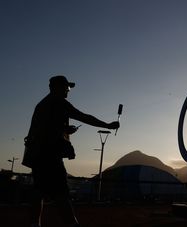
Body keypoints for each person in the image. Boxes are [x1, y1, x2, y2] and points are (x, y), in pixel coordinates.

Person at [22, 75, 120, 227]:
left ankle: (34, 224)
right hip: (50, 154)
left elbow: (46, 128)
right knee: (61, 192)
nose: (68, 91)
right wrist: (107, 125)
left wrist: (65, 130)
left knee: (39, 190)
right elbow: (83, 117)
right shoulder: (59, 102)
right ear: (57, 88)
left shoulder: (42, 104)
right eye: (67, 87)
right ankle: (71, 224)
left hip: (37, 154)